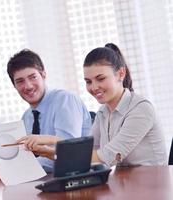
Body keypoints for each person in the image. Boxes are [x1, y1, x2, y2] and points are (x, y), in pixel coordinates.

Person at [15, 43, 167, 167]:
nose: (94, 87)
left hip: (152, 188)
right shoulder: (103, 112)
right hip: (126, 186)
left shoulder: (141, 108)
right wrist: (48, 151)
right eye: (88, 81)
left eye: (100, 79)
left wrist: (50, 140)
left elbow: (108, 156)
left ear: (121, 74)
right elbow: (86, 152)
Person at [0, 49, 92, 179]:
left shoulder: (65, 100)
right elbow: (26, 158)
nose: (28, 86)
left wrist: (9, 171)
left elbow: (68, 151)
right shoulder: (27, 117)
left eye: (33, 77)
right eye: (20, 81)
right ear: (14, 85)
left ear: (43, 75)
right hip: (49, 183)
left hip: (78, 181)